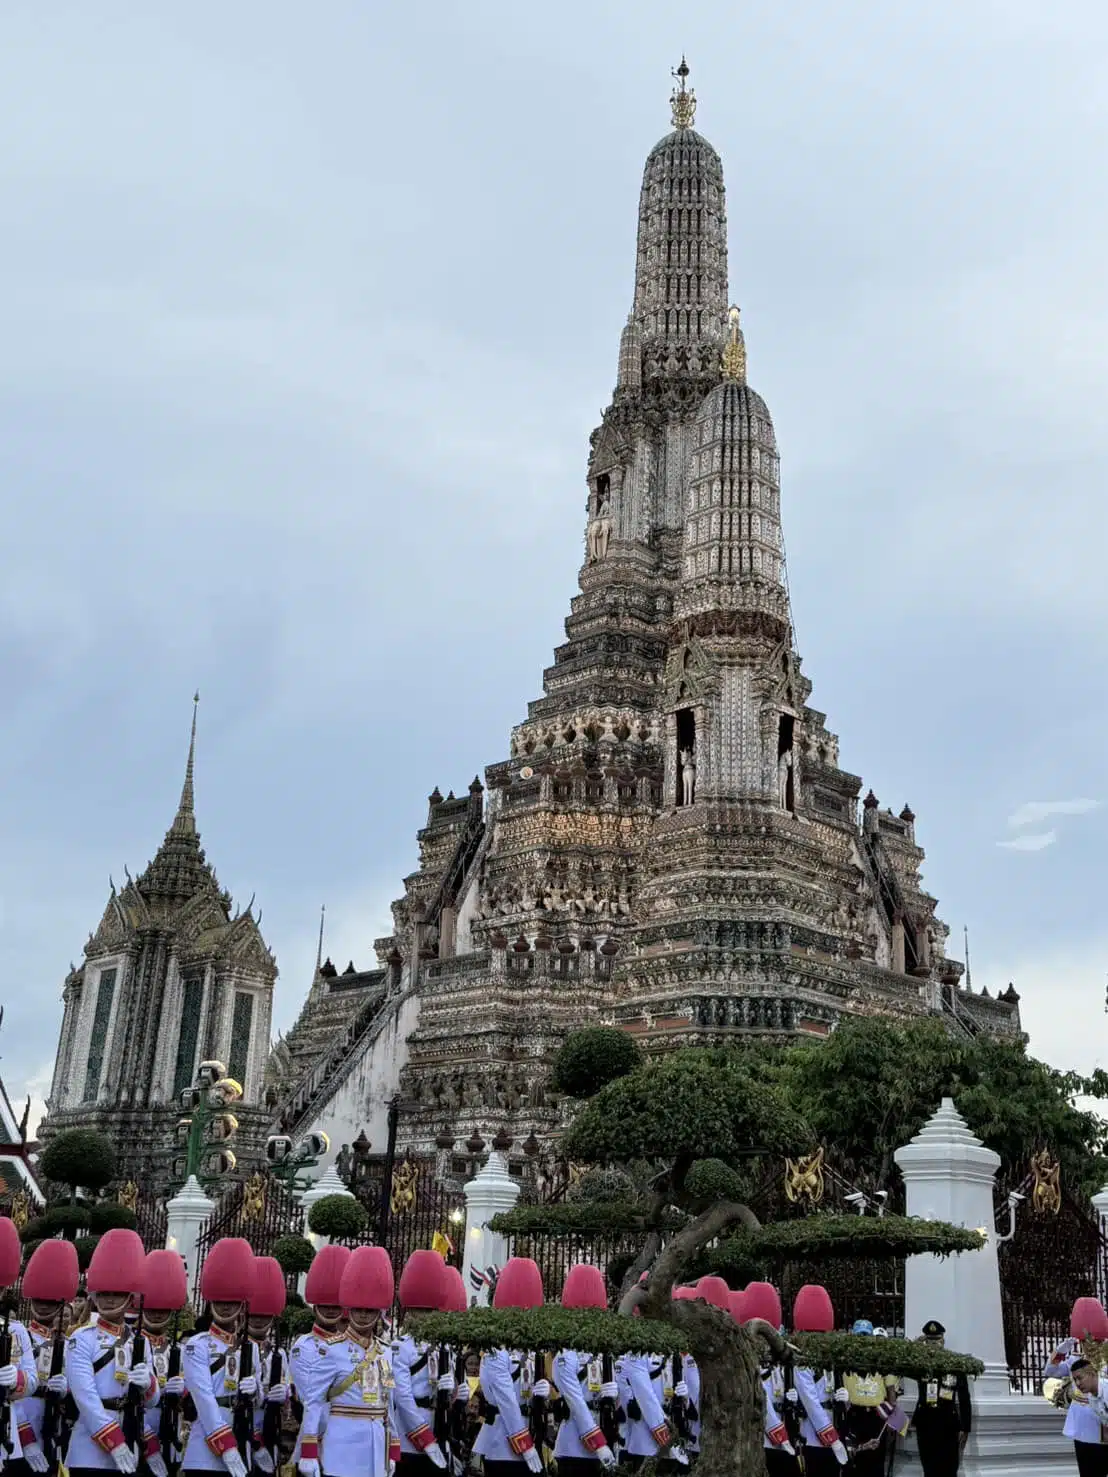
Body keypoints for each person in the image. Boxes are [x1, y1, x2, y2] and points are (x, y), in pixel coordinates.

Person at [65, 1229, 157, 1477]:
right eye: (104, 1294)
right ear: (94, 1296)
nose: (109, 1300)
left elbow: (152, 1400)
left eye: (117, 1294)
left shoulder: (140, 1342)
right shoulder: (81, 1339)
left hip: (130, 1433)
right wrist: (113, 1441)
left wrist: (149, 1384)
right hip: (90, 1447)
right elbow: (85, 1397)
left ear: (130, 1298)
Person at [298, 1247, 396, 1477]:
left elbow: (389, 1401)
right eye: (358, 1309)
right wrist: (309, 1450)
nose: (363, 1315)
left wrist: (393, 1447)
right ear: (348, 1309)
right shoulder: (331, 1350)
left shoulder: (386, 1352)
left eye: (369, 1310)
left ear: (378, 1313)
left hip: (376, 1446)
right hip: (342, 1446)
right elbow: (314, 1401)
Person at [180, 1237, 256, 1477]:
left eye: (231, 1301)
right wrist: (225, 1444)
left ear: (241, 1304)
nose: (225, 1307)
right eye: (220, 1301)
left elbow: (259, 1395)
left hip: (241, 1434)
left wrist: (257, 1391)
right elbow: (203, 1396)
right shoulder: (197, 1345)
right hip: (206, 1444)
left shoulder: (249, 1348)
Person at [14, 1238, 78, 1474]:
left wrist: (66, 1392)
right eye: (38, 1300)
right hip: (21, 1422)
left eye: (50, 1302)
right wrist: (25, 1438)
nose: (42, 1306)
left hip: (54, 1426)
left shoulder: (71, 1345)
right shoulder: (20, 1337)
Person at [390, 1251, 452, 1475]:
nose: (424, 1316)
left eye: (430, 1311)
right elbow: (403, 1396)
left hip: (439, 1424)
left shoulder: (445, 1347)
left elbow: (448, 1392)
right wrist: (424, 1438)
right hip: (410, 1434)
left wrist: (455, 1391)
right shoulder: (401, 1347)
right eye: (419, 1310)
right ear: (409, 1312)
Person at [551, 1265, 617, 1476]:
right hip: (574, 1443)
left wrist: (615, 1397)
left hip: (604, 1432)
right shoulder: (565, 1355)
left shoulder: (603, 1351)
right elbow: (576, 1403)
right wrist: (598, 1444)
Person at [909, 1321, 971, 1476]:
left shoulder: (955, 1364)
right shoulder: (920, 1364)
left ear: (942, 1340)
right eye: (929, 1341)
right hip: (926, 1423)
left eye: (936, 1340)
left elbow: (964, 1398)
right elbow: (903, 1357)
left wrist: (966, 1427)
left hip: (947, 1424)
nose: (932, 1345)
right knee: (929, 1468)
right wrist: (917, 1343)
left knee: (949, 1468)